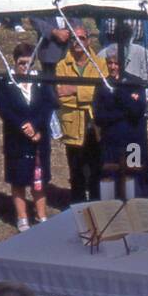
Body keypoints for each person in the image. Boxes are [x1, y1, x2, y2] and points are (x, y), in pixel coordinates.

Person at [0, 42, 59, 232]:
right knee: (18, 180)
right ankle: (22, 217)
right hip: (16, 137)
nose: (25, 67)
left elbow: (49, 104)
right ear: (14, 62)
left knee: (39, 180)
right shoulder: (5, 81)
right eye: (22, 63)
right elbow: (3, 107)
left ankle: (41, 215)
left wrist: (37, 127)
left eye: (29, 63)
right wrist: (23, 126)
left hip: (39, 137)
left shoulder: (41, 79)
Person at [54, 19, 107, 203]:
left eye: (82, 38)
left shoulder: (100, 64)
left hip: (94, 124)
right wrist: (89, 94)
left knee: (95, 170)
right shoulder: (62, 65)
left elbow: (102, 93)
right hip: (73, 124)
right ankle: (77, 207)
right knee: (76, 170)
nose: (78, 42)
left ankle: (95, 207)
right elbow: (61, 95)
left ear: (89, 41)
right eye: (74, 39)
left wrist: (75, 89)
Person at [93, 47, 148, 192]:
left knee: (133, 179)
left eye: (116, 63)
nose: (113, 67)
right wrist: (122, 111)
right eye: (110, 63)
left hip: (133, 141)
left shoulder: (135, 82)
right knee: (109, 180)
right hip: (111, 141)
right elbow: (99, 115)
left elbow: (138, 110)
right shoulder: (102, 85)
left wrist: (121, 100)